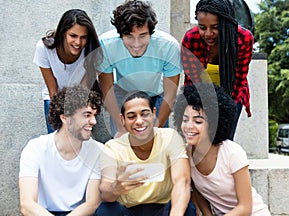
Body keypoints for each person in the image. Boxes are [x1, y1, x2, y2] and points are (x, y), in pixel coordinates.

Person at [173, 83, 271, 215]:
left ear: (214, 123)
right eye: (185, 120)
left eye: (198, 121)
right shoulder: (187, 154)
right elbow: (197, 192)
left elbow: (245, 207)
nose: (189, 126)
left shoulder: (232, 153)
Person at [95, 91, 196, 216]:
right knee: (106, 210)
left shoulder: (170, 137)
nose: (139, 121)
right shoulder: (112, 147)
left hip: (164, 209)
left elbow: (182, 181)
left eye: (145, 114)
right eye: (131, 116)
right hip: (129, 211)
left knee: (187, 209)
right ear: (123, 119)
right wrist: (116, 187)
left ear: (154, 113)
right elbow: (105, 192)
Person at [97, 0, 182, 138]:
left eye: (142, 36)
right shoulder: (106, 44)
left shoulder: (168, 46)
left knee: (158, 140)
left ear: (151, 32)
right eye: (129, 36)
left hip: (156, 93)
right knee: (122, 139)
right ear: (120, 34)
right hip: (123, 91)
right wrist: (121, 127)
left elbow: (170, 94)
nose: (136, 44)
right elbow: (107, 90)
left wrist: (155, 128)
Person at [19, 85, 103, 215]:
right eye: (87, 115)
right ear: (64, 117)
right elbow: (27, 204)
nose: (93, 121)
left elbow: (92, 203)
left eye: (94, 115)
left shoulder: (98, 151)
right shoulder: (35, 148)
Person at [181, 0, 254, 139]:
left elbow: (239, 79)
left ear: (226, 22)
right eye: (202, 27)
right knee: (200, 139)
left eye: (215, 27)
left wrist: (224, 111)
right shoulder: (191, 39)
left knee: (224, 140)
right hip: (201, 93)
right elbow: (191, 82)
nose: (208, 33)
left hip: (232, 93)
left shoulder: (243, 39)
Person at [33, 9, 102, 133]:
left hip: (82, 97)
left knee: (78, 138)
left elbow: (84, 90)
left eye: (83, 37)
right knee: (56, 136)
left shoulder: (91, 50)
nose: (78, 42)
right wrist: (62, 116)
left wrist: (76, 116)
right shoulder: (44, 48)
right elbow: (52, 89)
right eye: (73, 36)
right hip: (55, 97)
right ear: (63, 33)